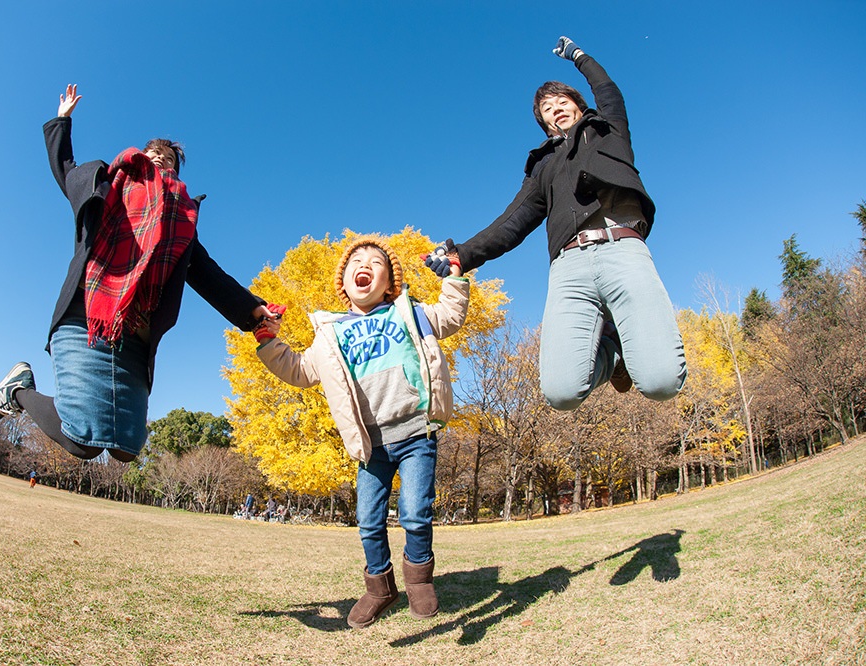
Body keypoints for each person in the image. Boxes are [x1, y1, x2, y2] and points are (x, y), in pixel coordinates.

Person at [0, 84, 271, 462]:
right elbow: (65, 170)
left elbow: (208, 275)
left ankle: (51, 402)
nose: (158, 160)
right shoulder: (105, 188)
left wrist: (252, 311)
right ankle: (18, 390)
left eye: (167, 159)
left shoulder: (180, 222)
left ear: (176, 172)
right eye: (153, 153)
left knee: (126, 449)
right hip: (86, 322)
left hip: (134, 340)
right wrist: (62, 122)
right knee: (82, 442)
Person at [425, 37, 686, 410]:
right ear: (544, 122)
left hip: (621, 247)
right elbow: (510, 223)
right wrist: (459, 257)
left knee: (662, 382)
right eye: (547, 107)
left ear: (580, 107)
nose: (556, 107)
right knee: (561, 394)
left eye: (564, 101)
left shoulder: (608, 131)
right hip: (569, 267)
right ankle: (611, 352)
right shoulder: (542, 167)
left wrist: (579, 57)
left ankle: (632, 352)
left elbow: (608, 91)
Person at [254, 236, 469, 628]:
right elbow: (300, 371)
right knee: (368, 520)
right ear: (345, 283)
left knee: (415, 513)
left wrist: (454, 275)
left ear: (390, 283)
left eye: (375, 260)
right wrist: (270, 340)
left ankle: (419, 578)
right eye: (355, 261)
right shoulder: (331, 334)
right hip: (372, 445)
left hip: (416, 432)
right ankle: (379, 588)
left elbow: (451, 316)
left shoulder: (410, 312)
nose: (363, 264)